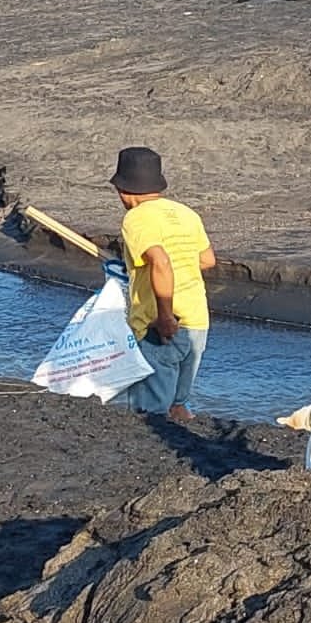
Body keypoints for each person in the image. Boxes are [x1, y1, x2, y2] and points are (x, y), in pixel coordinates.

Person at [110, 145, 214, 420]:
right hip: (197, 321)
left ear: (123, 191)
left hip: (162, 325)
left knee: (150, 414)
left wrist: (165, 316)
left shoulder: (136, 218)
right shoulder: (186, 213)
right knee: (178, 405)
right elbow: (206, 260)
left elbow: (161, 261)